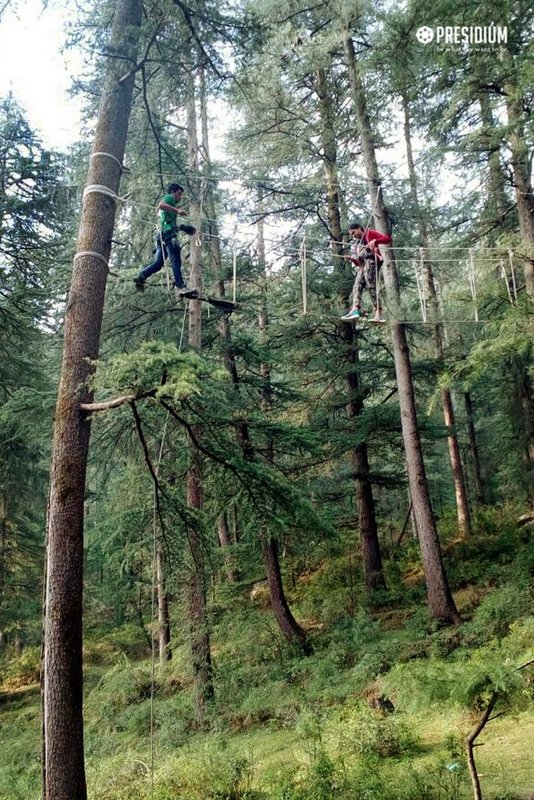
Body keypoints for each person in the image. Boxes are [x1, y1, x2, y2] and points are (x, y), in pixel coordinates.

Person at [134, 183, 195, 292]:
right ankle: (180, 286)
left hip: (161, 236)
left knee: (158, 263)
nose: (180, 197)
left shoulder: (170, 210)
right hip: (167, 234)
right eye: (179, 194)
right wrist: (177, 210)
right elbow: (161, 205)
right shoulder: (170, 197)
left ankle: (141, 277)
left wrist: (182, 228)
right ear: (173, 192)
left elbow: (168, 222)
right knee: (176, 259)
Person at [341, 221, 392, 321]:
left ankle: (379, 312)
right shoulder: (357, 245)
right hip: (363, 265)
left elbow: (387, 239)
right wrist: (352, 259)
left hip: (372, 261)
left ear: (360, 228)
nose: (353, 236)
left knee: (370, 283)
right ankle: (355, 309)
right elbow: (359, 263)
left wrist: (375, 242)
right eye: (351, 234)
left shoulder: (370, 233)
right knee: (357, 284)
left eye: (354, 232)